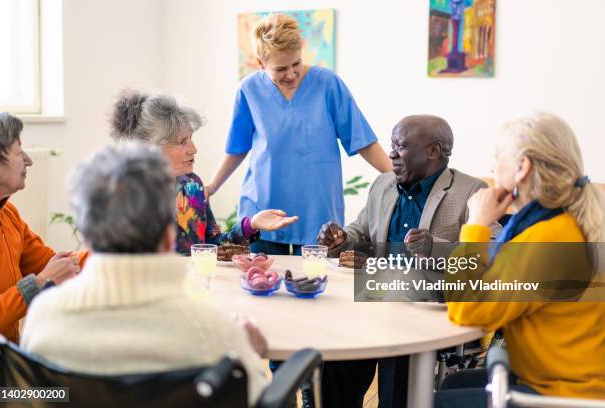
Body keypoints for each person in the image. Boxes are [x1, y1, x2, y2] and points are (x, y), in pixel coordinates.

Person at [21, 142, 269, 406]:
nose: (193, 148)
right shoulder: (214, 332)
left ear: (86, 236)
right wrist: (249, 355)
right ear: (168, 236)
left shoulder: (43, 319)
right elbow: (256, 399)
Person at [317, 115, 501, 408]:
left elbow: (493, 254)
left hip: (424, 311)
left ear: (433, 151)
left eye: (400, 146)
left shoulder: (471, 192)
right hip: (369, 302)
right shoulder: (383, 184)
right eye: (392, 145)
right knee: (335, 360)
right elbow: (360, 230)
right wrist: (341, 239)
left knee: (398, 367)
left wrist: (434, 247)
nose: (391, 154)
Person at [436, 112, 605, 407]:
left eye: (497, 156)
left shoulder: (546, 239)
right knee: (452, 384)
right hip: (566, 379)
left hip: (566, 395)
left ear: (522, 167)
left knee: (427, 401)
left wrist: (475, 225)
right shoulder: (565, 222)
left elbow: (466, 309)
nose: (491, 166)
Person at [207, 13, 393, 256]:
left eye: (296, 63)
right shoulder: (248, 90)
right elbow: (237, 147)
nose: (291, 74)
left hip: (318, 211)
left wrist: (399, 177)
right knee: (263, 284)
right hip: (263, 209)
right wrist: (212, 186)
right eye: (280, 69)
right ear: (260, 64)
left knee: (319, 286)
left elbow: (363, 141)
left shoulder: (327, 84)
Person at [110, 90, 297, 255]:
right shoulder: (126, 195)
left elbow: (213, 247)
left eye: (191, 138)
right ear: (151, 148)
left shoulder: (191, 186)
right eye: (182, 142)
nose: (194, 149)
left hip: (196, 287)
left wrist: (250, 225)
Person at [0, 112, 82, 343]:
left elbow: (54, 263)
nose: (28, 160)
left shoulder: (8, 214)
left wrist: (116, 253)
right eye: (18, 151)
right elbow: (46, 274)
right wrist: (38, 283)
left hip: (6, 354)